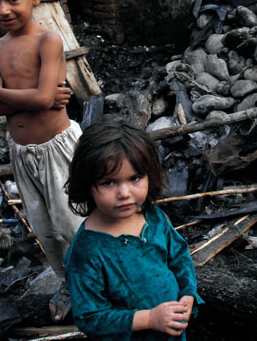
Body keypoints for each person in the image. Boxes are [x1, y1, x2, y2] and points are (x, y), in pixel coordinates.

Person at [0, 0, 83, 322]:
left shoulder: (46, 41)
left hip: (58, 149)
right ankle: (68, 281)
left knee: (74, 220)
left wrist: (1, 92)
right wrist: (31, 100)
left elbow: (32, 99)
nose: (3, 9)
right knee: (45, 227)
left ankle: (99, 279)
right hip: (22, 153)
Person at [64, 121, 203, 340]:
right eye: (109, 182)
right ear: (87, 184)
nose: (124, 193)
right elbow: (90, 318)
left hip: (171, 328)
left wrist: (187, 293)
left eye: (134, 178)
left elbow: (178, 255)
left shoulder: (152, 216)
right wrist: (149, 319)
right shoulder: (87, 252)